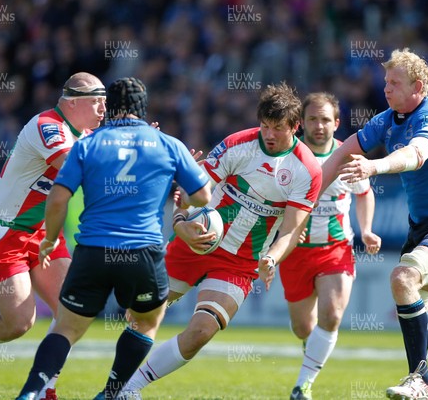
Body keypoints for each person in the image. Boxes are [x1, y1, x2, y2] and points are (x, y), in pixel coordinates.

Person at [118, 82, 322, 398]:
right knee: (140, 316)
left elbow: (292, 230)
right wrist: (180, 221)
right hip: (195, 241)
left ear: (295, 127)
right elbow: (193, 191)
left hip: (240, 262)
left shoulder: (306, 169)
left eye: (278, 128)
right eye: (265, 126)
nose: (269, 134)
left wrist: (272, 258)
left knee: (201, 331)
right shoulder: (237, 144)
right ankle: (108, 385)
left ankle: (130, 389)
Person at [15, 77, 212, 400]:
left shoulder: (86, 145)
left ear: (109, 109)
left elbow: (57, 198)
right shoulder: (167, 144)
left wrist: (50, 239)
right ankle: (111, 392)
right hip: (142, 253)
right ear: (143, 109)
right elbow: (203, 195)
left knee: (66, 327)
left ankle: (31, 392)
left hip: (92, 251)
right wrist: (181, 192)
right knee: (147, 321)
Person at [321, 48, 428, 400]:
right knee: (411, 295)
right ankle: (427, 380)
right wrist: (304, 197)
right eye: (385, 82)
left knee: (402, 278)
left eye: (394, 83)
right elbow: (342, 151)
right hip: (422, 225)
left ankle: (420, 379)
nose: (386, 89)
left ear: (418, 87)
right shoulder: (388, 117)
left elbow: (415, 155)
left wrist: (373, 167)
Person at [0, 72, 106, 400]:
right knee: (20, 322)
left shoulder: (88, 134)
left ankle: (47, 384)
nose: (103, 108)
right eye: (97, 101)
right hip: (6, 231)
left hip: (44, 233)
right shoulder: (47, 126)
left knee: (74, 311)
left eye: (105, 102)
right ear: (73, 101)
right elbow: (75, 166)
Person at [281, 92, 381, 400]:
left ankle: (303, 386)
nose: (319, 125)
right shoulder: (287, 158)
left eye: (325, 119)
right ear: (301, 124)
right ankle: (311, 348)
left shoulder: (347, 158)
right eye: (313, 119)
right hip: (294, 253)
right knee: (302, 327)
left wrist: (365, 230)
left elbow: (364, 193)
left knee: (333, 314)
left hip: (335, 249)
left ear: (336, 123)